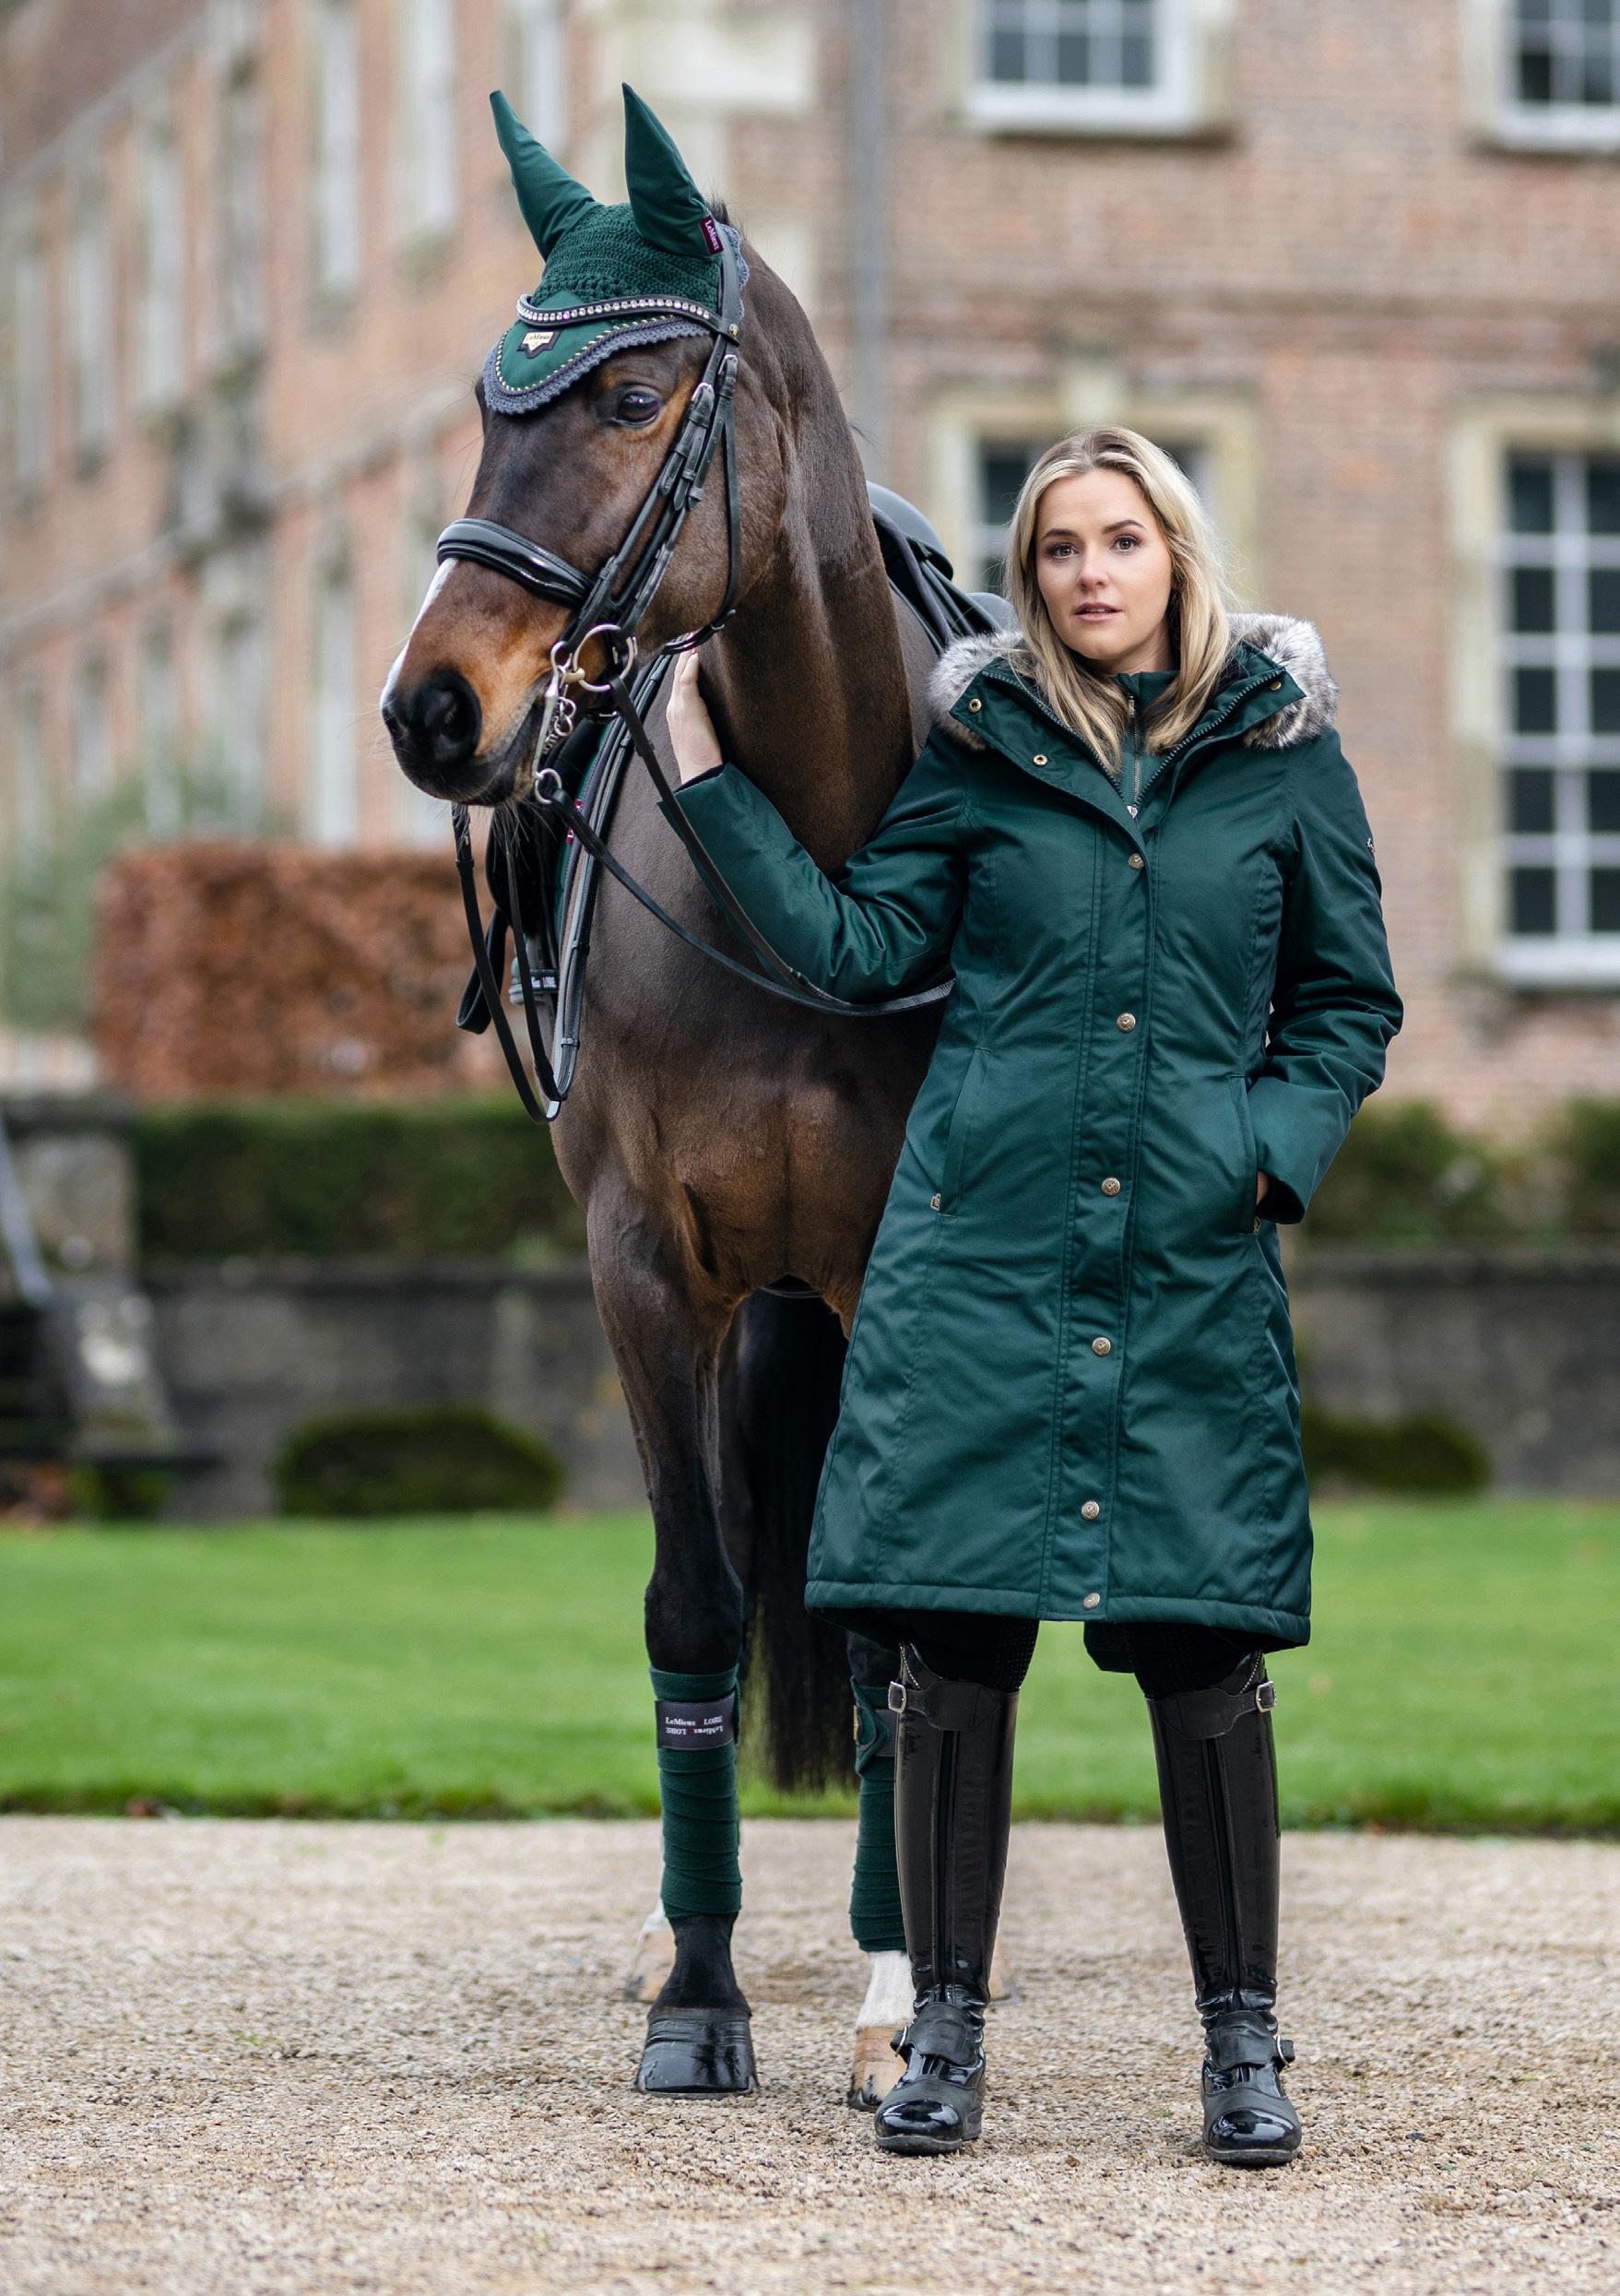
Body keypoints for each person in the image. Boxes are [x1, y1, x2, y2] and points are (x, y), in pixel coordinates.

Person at [659, 425, 1403, 2165]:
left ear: (1174, 554)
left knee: (1203, 1650)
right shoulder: (982, 747)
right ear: (1030, 579)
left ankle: (1239, 2042)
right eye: (1057, 547)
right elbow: (856, 946)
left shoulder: (1285, 756)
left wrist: (1263, 1152)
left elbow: (1345, 1001)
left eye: (1118, 539)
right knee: (949, 1644)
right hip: (974, 1266)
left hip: (1187, 1264)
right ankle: (941, 2030)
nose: (1087, 572)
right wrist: (703, 777)